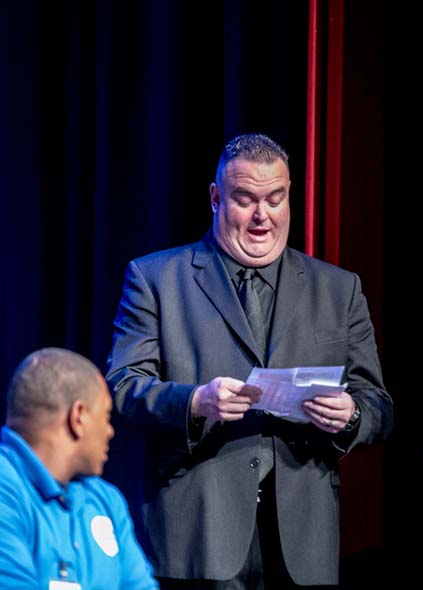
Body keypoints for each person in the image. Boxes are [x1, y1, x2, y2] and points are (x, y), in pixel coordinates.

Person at [105, 132, 393, 589]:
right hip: (197, 537)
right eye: (246, 199)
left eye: (275, 198)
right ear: (216, 198)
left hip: (302, 545)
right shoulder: (157, 278)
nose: (263, 215)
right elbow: (122, 387)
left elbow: (378, 404)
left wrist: (352, 414)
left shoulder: (339, 289)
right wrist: (195, 402)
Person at [0, 347, 158, 589]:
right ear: (79, 417)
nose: (110, 431)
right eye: (106, 417)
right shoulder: (6, 491)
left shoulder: (106, 500)